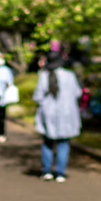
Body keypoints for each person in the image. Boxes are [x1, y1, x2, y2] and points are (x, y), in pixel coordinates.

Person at [34, 51, 82, 182]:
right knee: (63, 143)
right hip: (66, 113)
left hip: (48, 113)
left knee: (48, 142)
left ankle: (47, 171)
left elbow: (38, 96)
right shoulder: (69, 75)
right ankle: (60, 172)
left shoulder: (43, 76)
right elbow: (77, 93)